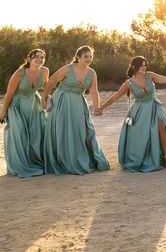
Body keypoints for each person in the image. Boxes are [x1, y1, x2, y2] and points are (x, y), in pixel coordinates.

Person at [95, 56, 166, 172]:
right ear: (135, 67)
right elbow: (115, 97)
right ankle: (142, 158)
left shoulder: (149, 76)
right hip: (139, 112)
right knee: (142, 136)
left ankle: (165, 157)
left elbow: (165, 79)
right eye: (142, 65)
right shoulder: (128, 83)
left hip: (155, 107)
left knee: (162, 127)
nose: (144, 68)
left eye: (145, 65)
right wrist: (101, 108)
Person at [42, 45, 110, 174]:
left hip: (78, 102)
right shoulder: (67, 69)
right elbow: (51, 81)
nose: (89, 59)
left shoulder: (92, 73)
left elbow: (94, 91)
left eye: (91, 57)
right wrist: (44, 98)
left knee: (82, 131)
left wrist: (97, 107)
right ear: (78, 57)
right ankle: (63, 161)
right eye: (86, 56)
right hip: (62, 101)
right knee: (62, 129)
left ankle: (80, 158)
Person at [0, 49, 48, 177]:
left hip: (34, 104)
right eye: (36, 57)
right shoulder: (19, 74)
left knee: (37, 133)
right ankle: (21, 164)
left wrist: (45, 100)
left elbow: (46, 88)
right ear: (29, 59)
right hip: (17, 105)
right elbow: (9, 94)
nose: (39, 59)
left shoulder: (45, 71)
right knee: (20, 134)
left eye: (42, 57)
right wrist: (3, 111)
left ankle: (35, 161)